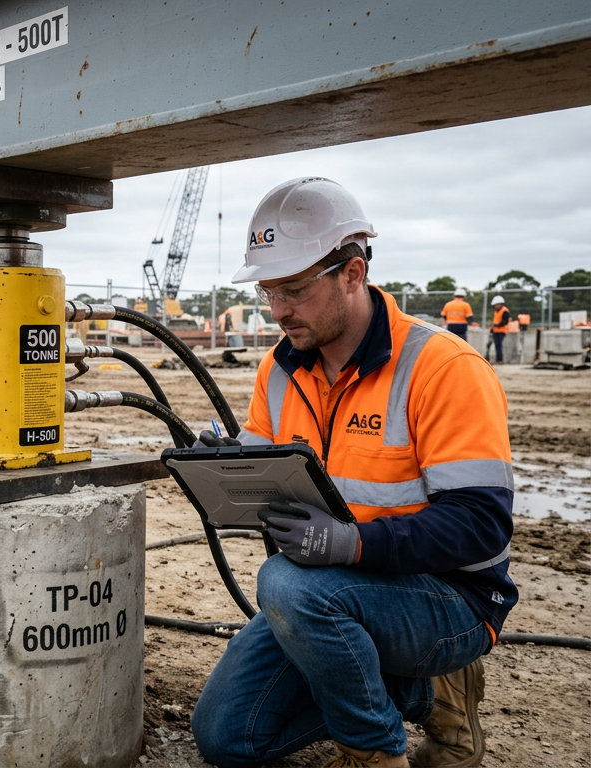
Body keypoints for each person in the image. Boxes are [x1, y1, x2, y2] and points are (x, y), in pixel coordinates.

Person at [191, 178, 516, 768]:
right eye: (269, 291)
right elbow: (263, 470)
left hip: (449, 596)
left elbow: (481, 526)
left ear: (353, 273)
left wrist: (352, 542)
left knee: (286, 586)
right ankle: (420, 692)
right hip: (332, 593)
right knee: (226, 738)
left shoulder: (443, 368)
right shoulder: (280, 367)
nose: (279, 309)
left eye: (293, 289)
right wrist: (219, 464)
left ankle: (372, 750)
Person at [489, 296, 513, 363]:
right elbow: (496, 321)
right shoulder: (496, 312)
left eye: (496, 305)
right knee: (496, 345)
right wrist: (493, 328)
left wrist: (496, 325)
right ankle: (498, 359)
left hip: (501, 331)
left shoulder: (505, 311)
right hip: (496, 331)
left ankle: (499, 360)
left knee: (498, 345)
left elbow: (505, 322)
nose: (495, 307)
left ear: (500, 304)